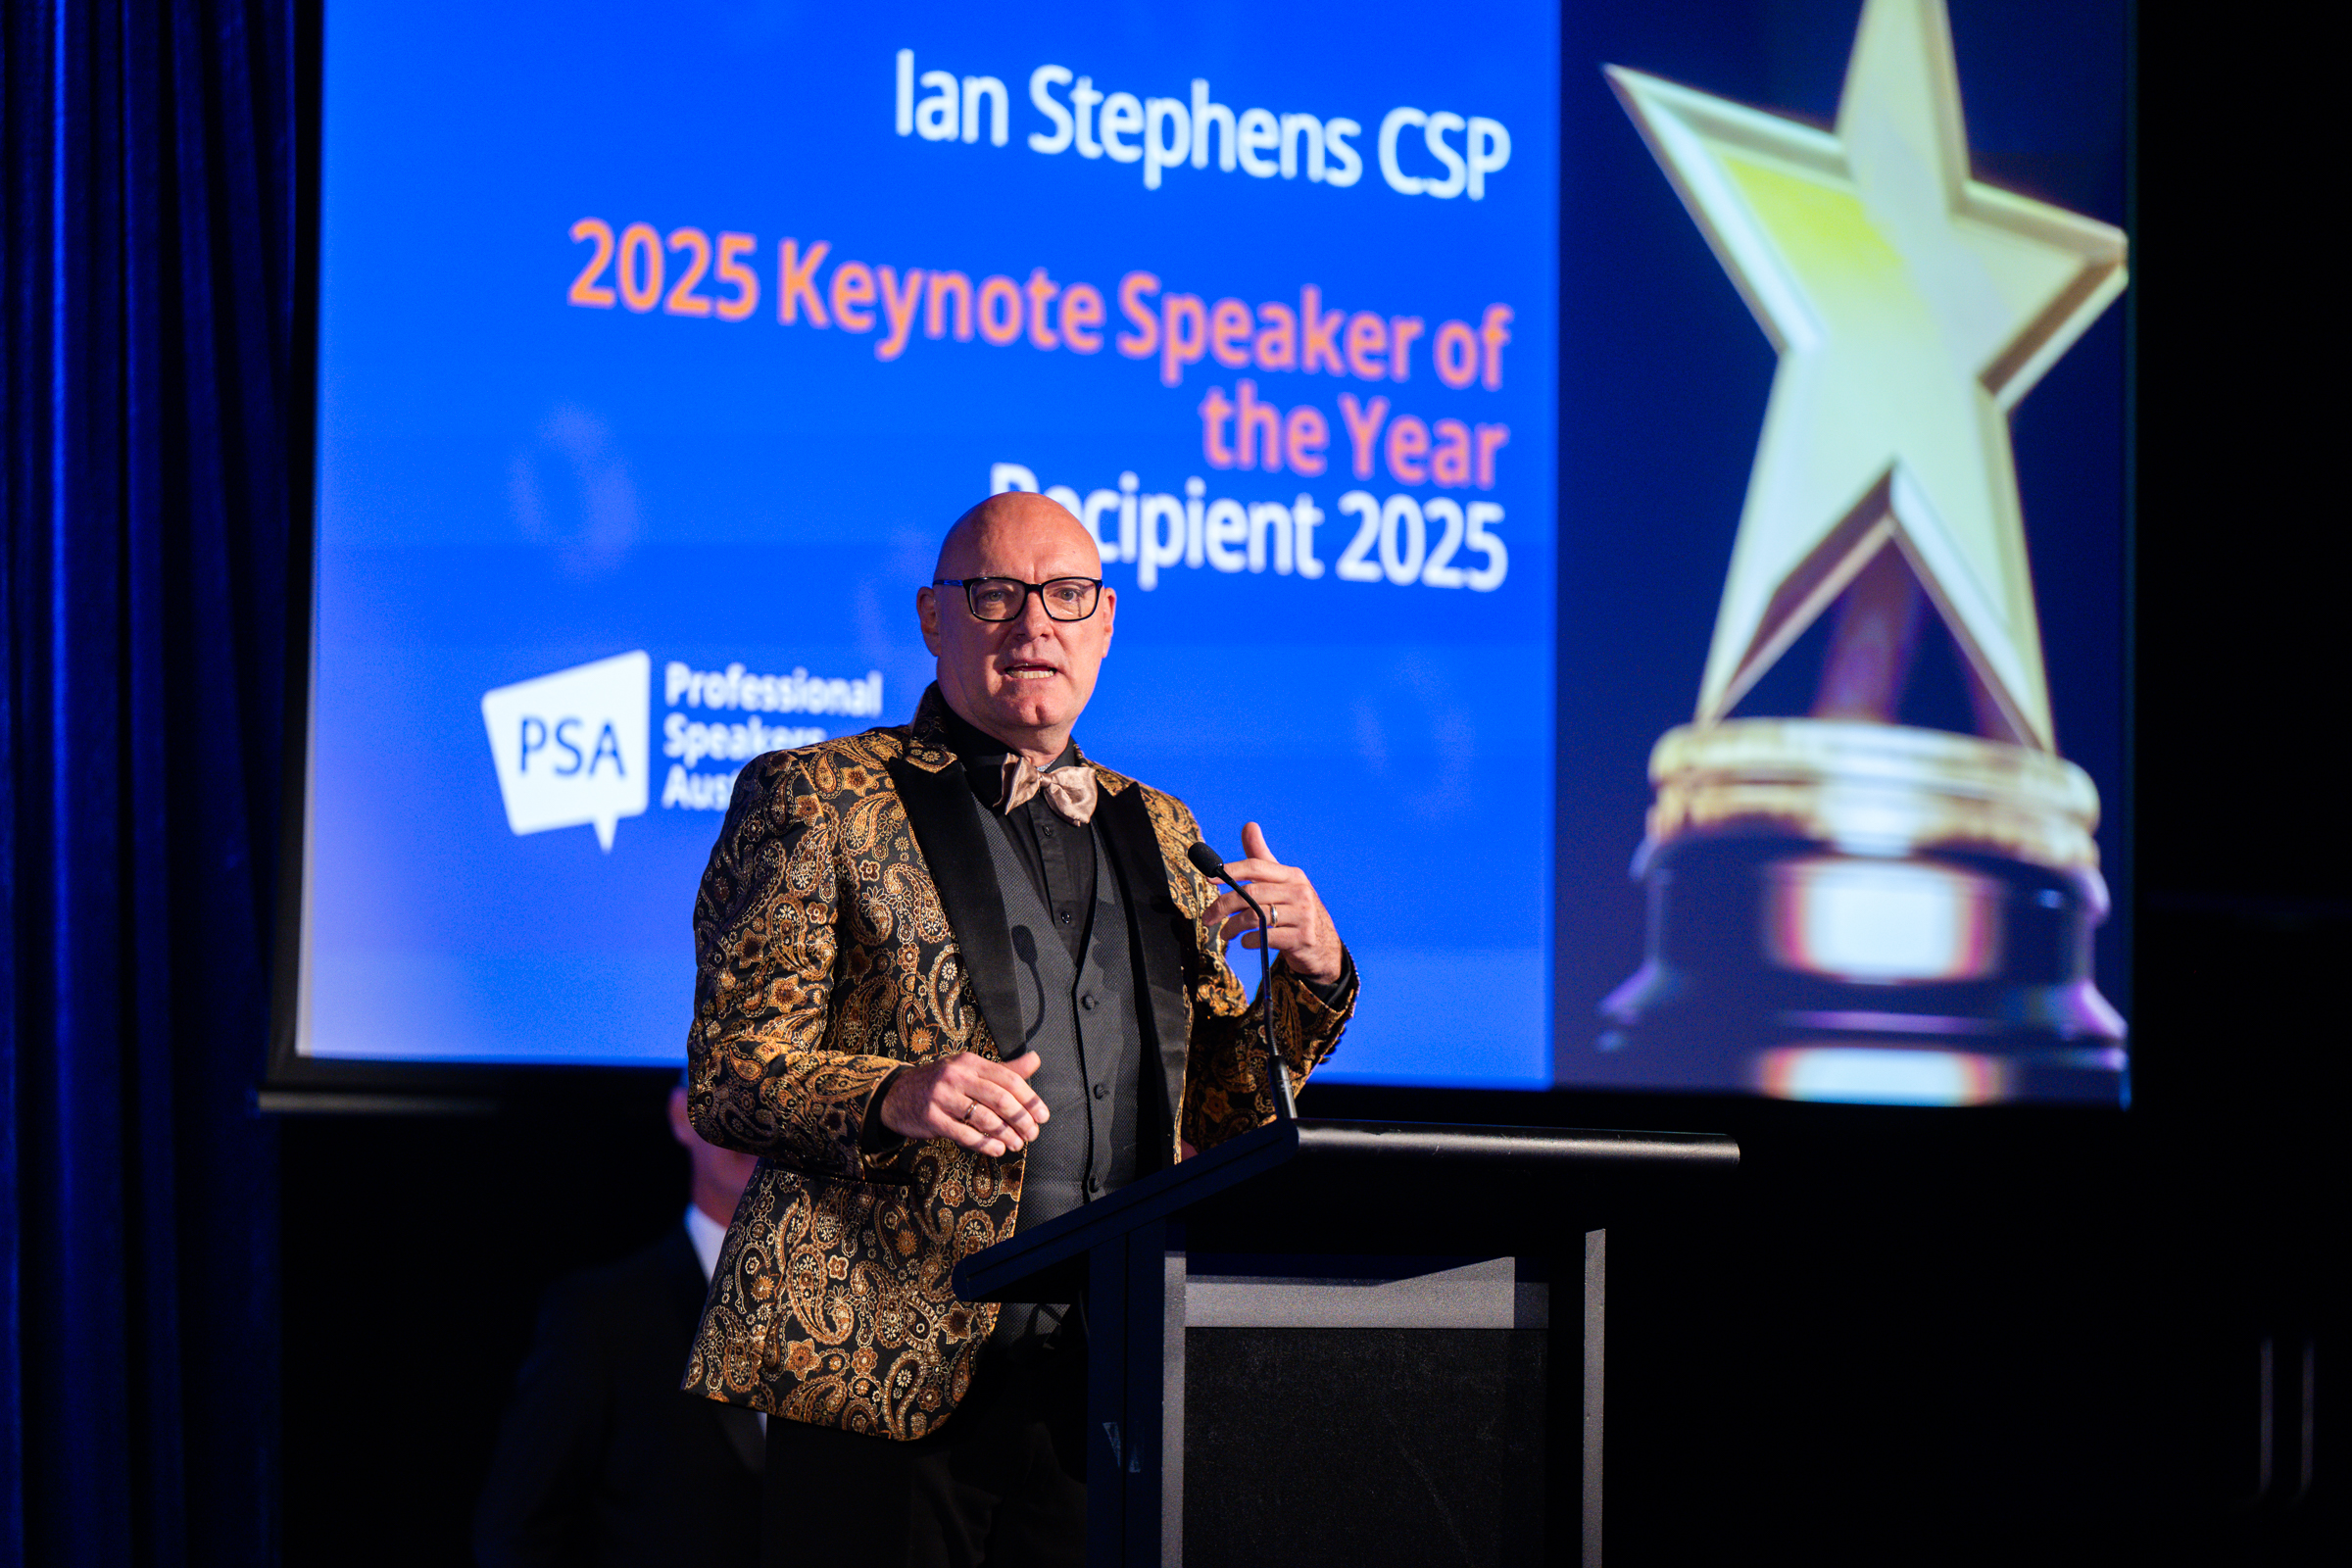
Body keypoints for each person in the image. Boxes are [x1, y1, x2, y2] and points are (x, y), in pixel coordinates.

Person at [680, 490, 1357, 1565]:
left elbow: (1229, 1105)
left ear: (1106, 621)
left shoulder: (1163, 827)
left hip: (1103, 1380)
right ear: (933, 618)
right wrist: (893, 1093)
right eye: (994, 594)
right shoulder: (817, 795)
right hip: (879, 1374)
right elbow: (730, 1071)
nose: (1033, 624)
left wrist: (1312, 966)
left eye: (1066, 595)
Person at [473, 1081, 765, 1567]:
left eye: (777, 1100)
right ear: (682, 1115)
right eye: (733, 1093)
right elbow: (516, 1532)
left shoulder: (864, 1313)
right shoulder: (601, 1317)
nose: (753, 1125)